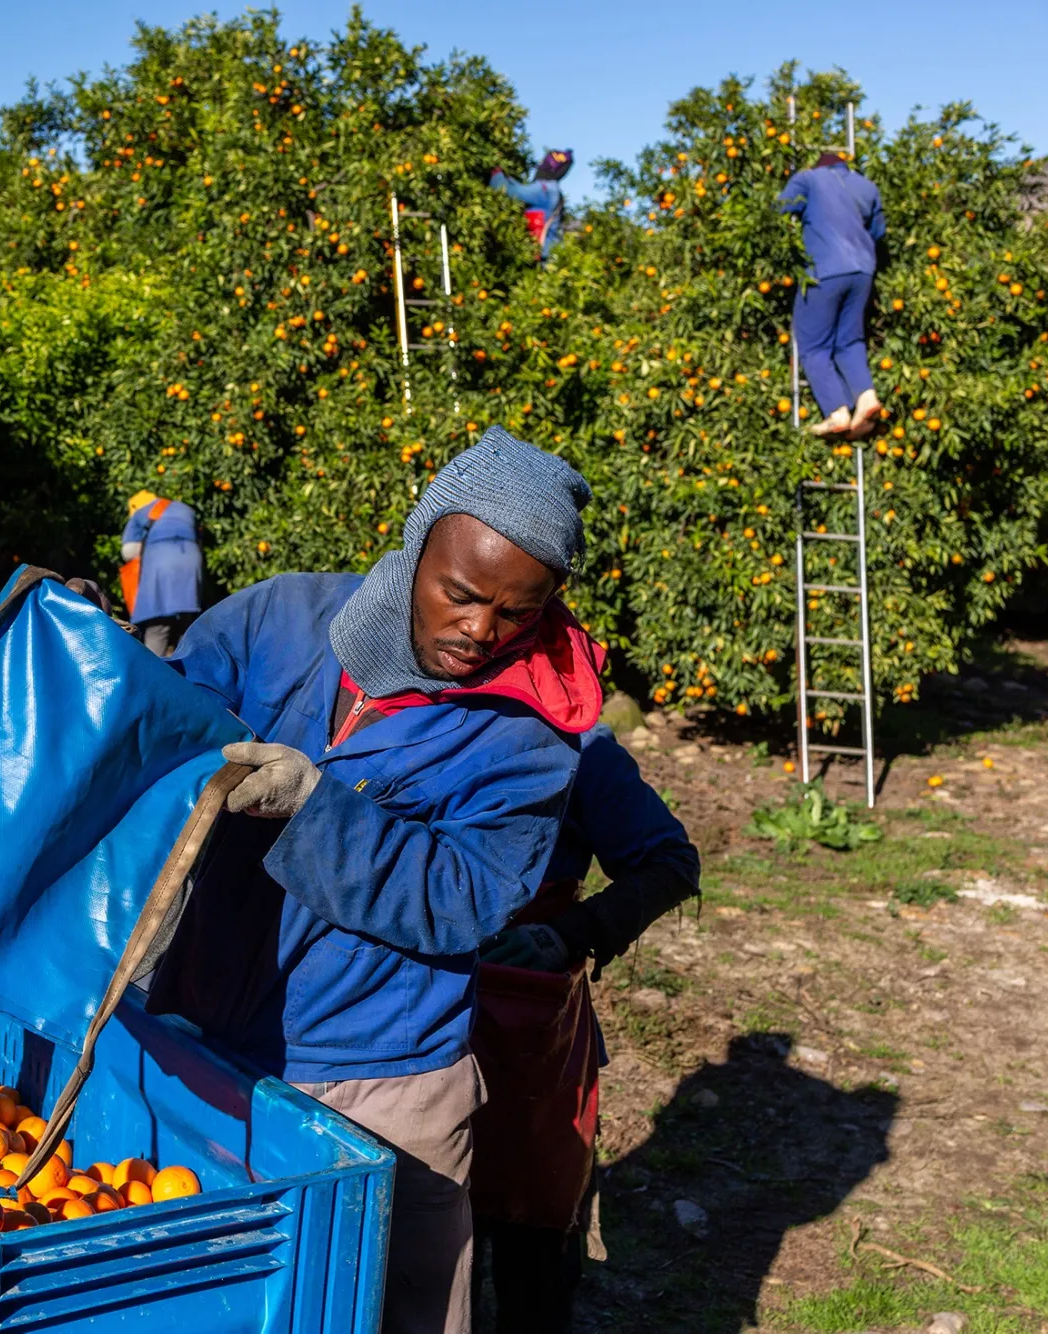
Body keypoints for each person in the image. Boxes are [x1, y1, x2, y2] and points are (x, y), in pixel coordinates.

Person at [145, 426, 605, 1334]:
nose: (481, 632)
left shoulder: (528, 739)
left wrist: (317, 810)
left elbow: (464, 896)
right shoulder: (276, 622)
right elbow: (157, 733)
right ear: (417, 543)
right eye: (462, 595)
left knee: (392, 1307)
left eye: (517, 613)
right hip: (204, 1038)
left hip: (377, 1080)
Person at [471, 723, 701, 1332]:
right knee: (424, 1256)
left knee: (533, 1253)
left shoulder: (579, 747)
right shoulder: (386, 718)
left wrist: (567, 935)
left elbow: (669, 861)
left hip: (527, 1040)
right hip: (402, 1027)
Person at [779, 151, 887, 438]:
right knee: (849, 341)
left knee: (813, 344)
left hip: (825, 269)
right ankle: (866, 398)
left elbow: (778, 214)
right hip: (863, 271)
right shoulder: (867, 186)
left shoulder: (808, 179)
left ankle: (837, 412)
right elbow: (877, 231)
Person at [119, 490, 202, 656]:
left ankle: (153, 675)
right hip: (191, 562)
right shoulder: (185, 509)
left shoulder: (140, 513)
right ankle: (189, 674)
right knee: (185, 625)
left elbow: (128, 552)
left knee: (158, 626)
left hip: (161, 566)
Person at [489, 150, 575, 262]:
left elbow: (508, 191)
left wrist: (497, 174)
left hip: (540, 259)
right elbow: (522, 190)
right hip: (548, 257)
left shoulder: (545, 189)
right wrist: (509, 178)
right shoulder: (552, 190)